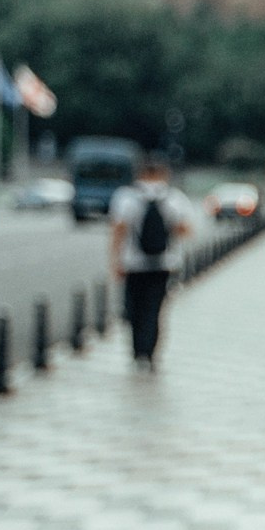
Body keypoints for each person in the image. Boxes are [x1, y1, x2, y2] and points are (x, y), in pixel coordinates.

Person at [108, 152, 192, 370]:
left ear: (140, 173)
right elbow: (185, 230)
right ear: (163, 173)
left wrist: (115, 261)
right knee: (154, 310)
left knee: (133, 309)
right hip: (163, 264)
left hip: (133, 264)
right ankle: (151, 353)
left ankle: (137, 352)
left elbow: (118, 232)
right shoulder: (174, 198)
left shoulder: (125, 197)